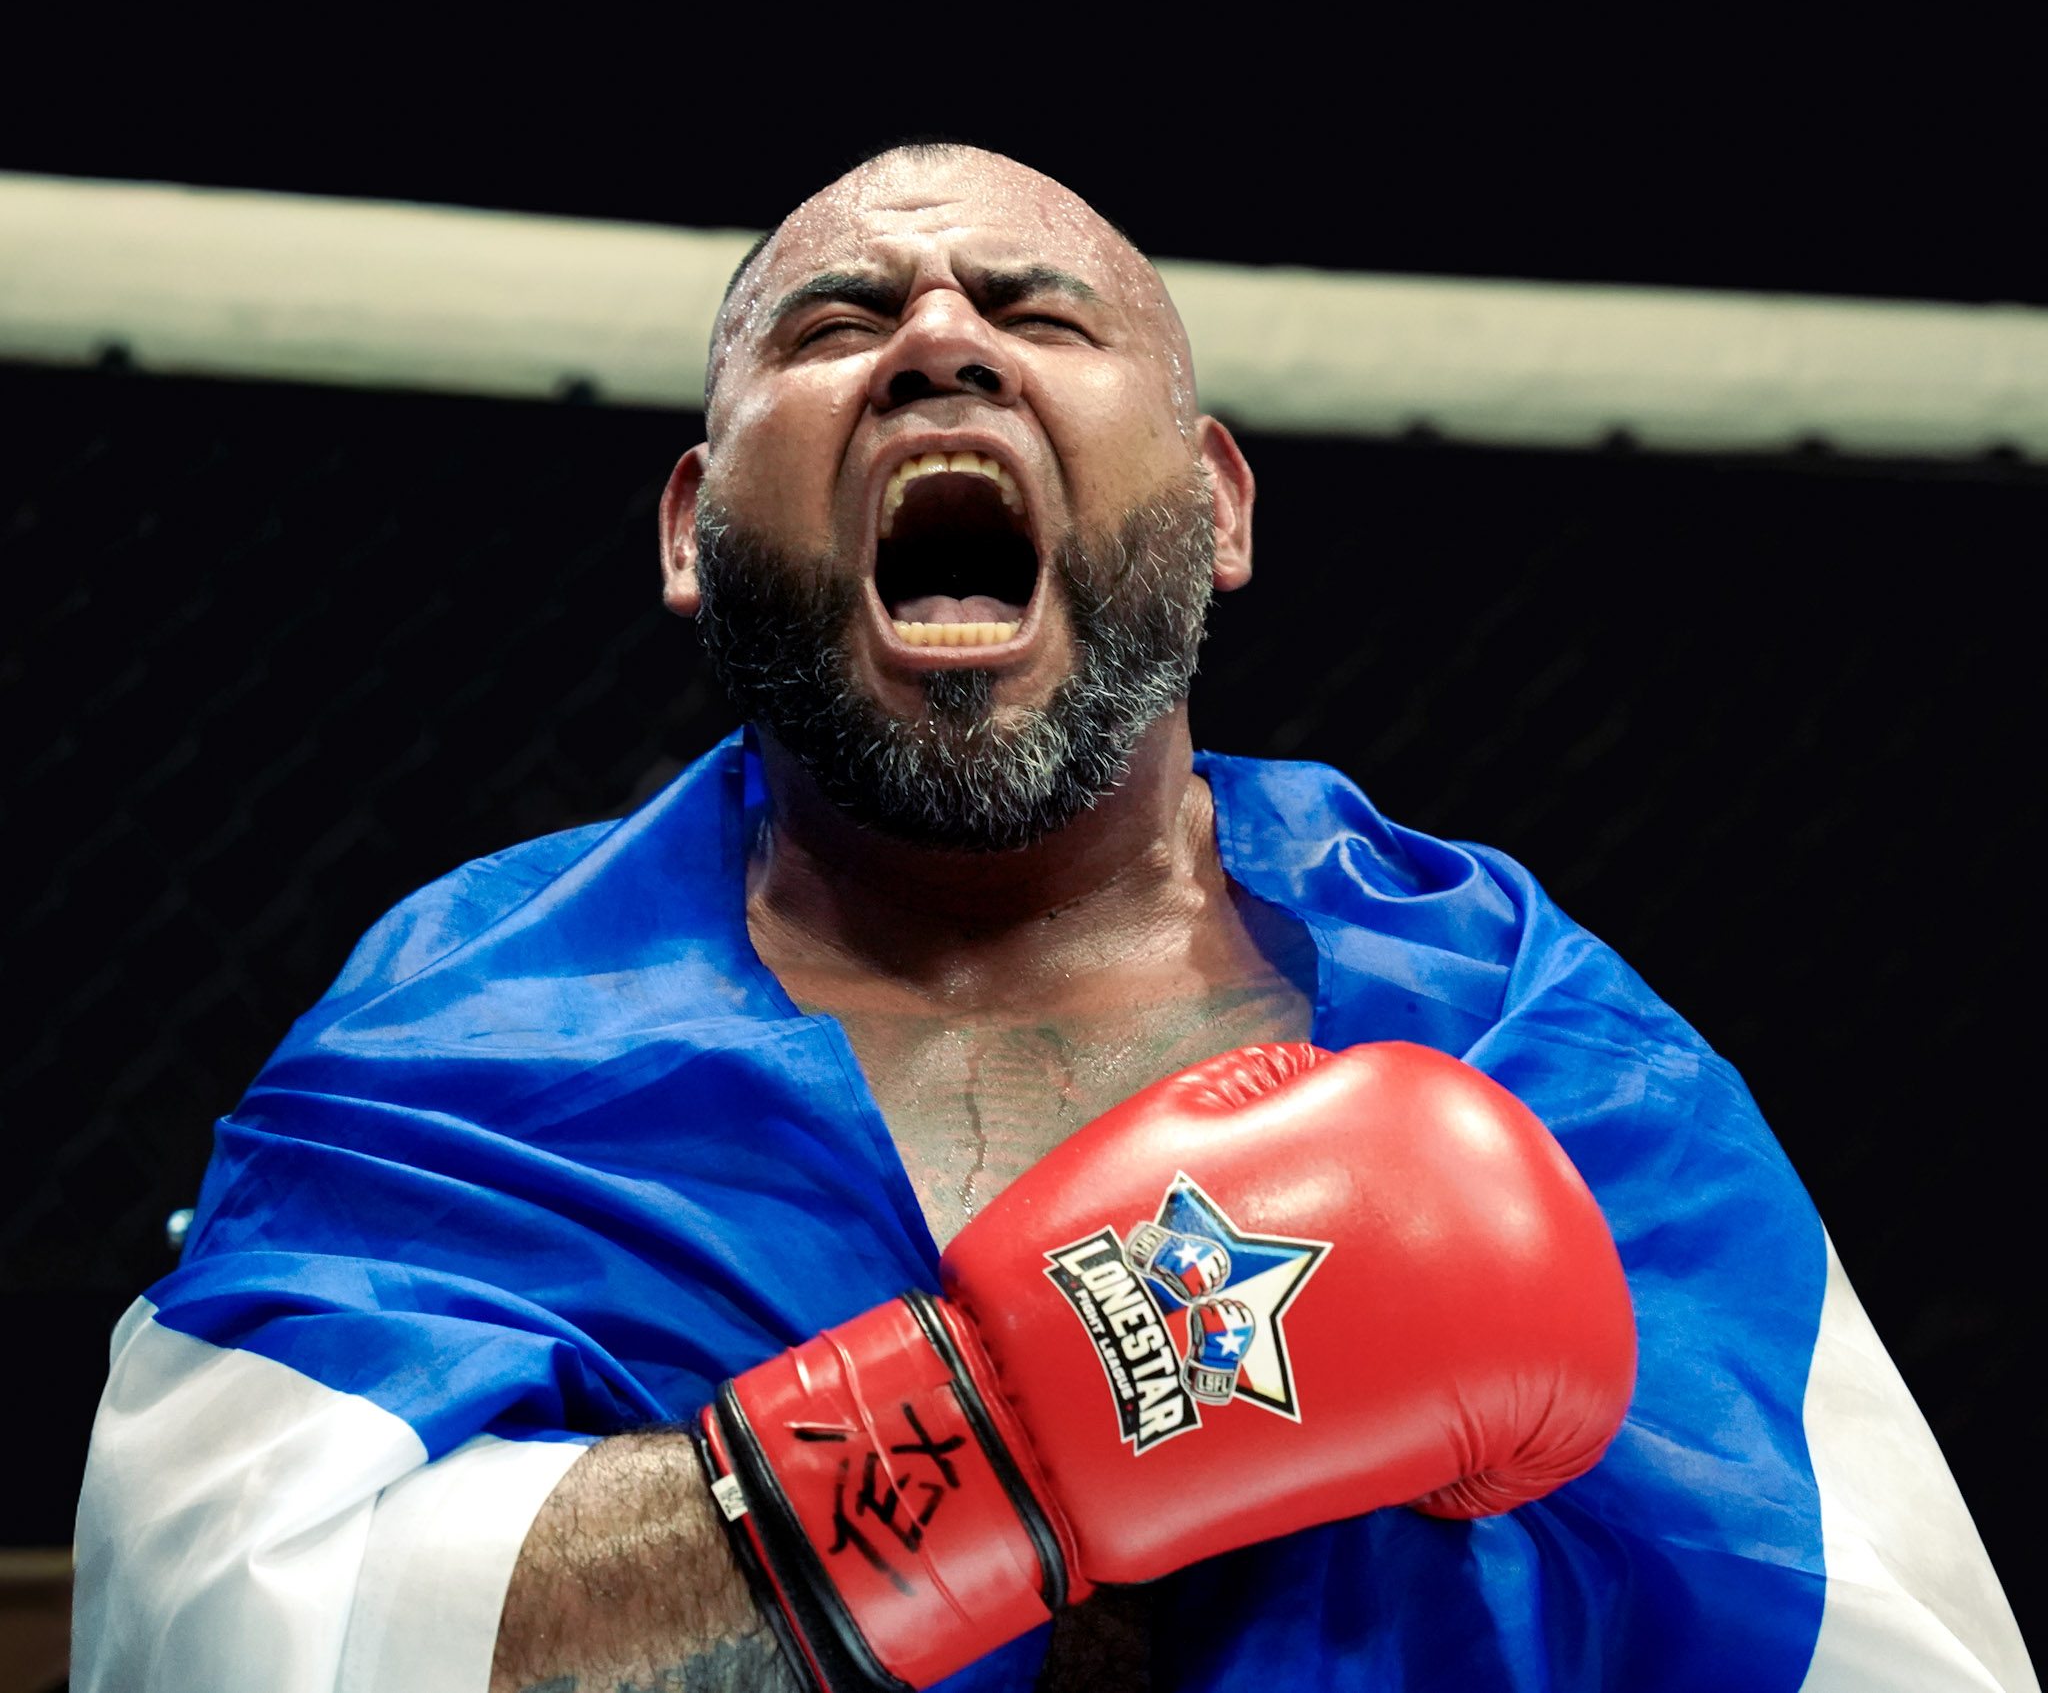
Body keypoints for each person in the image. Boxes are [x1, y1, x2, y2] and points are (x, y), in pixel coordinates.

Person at [72, 144, 2034, 1693]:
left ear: (1215, 508)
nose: (940, 337)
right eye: (837, 319)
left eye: (1036, 309)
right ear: (691, 529)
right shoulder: (463, 1045)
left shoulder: (1528, 1036)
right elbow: (223, 1634)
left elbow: (1875, 1647)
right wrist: (987, 1436)